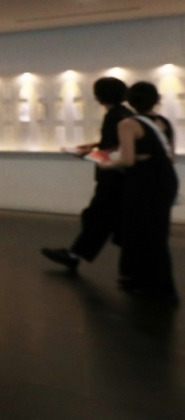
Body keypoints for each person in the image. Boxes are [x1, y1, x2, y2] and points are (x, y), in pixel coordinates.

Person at [97, 82, 179, 302]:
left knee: (138, 231)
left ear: (131, 101)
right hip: (166, 178)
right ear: (156, 99)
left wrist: (105, 165)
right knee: (156, 232)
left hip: (143, 180)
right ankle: (153, 282)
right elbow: (171, 156)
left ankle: (148, 283)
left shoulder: (128, 124)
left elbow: (127, 159)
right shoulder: (164, 122)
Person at [42, 77, 133, 271]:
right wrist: (93, 146)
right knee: (105, 220)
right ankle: (77, 255)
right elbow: (116, 144)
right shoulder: (124, 114)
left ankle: (75, 255)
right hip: (120, 178)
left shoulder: (114, 116)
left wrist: (84, 154)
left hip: (113, 178)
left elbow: (110, 151)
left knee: (96, 218)